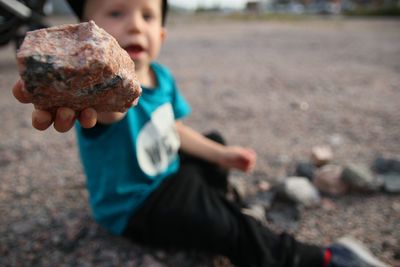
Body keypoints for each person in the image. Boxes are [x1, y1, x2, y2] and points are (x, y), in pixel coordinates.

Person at [12, 0, 389, 266]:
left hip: (168, 174)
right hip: (135, 205)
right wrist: (77, 86)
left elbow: (173, 129)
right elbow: (110, 116)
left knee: (215, 142)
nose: (134, 24)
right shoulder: (108, 98)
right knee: (227, 223)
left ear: (160, 34)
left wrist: (221, 156)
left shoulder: (162, 78)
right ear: (84, 32)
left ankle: (218, 205)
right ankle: (314, 258)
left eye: (147, 15)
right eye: (115, 12)